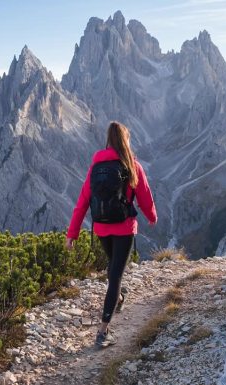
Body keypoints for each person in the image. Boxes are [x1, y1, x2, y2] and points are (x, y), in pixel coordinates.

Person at [65, 121, 158, 348]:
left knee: (113, 268)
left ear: (108, 140)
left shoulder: (95, 168)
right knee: (115, 275)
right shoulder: (132, 166)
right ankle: (103, 331)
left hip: (101, 228)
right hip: (124, 228)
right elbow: (145, 195)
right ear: (125, 141)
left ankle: (119, 297)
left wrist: (72, 233)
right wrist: (152, 217)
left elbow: (82, 202)